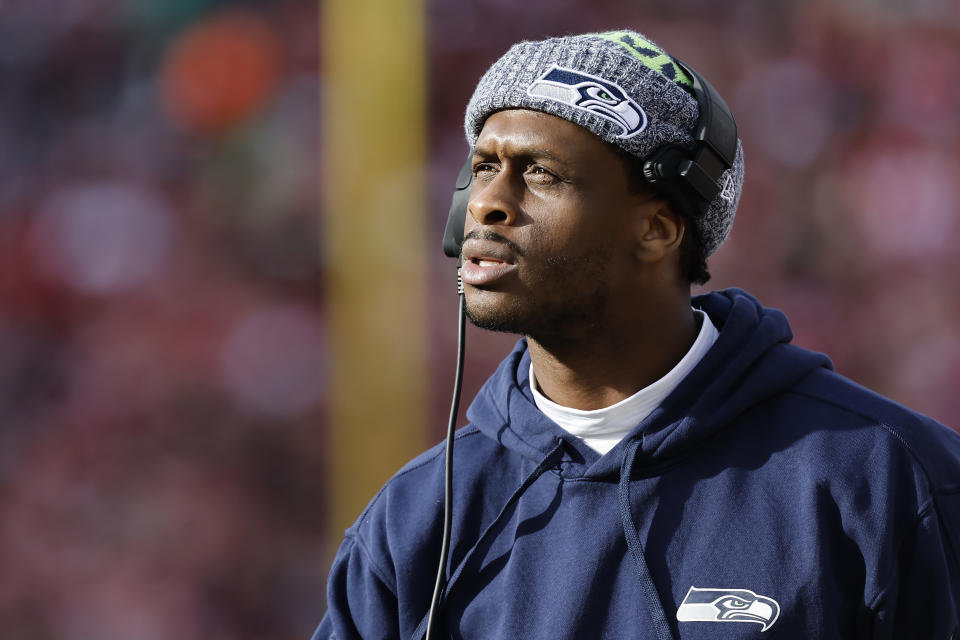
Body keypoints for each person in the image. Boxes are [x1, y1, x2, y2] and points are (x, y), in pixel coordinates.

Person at [313, 30, 960, 639]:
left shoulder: (889, 479)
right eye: (484, 166)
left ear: (657, 229)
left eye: (541, 173)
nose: (487, 202)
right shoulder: (415, 519)